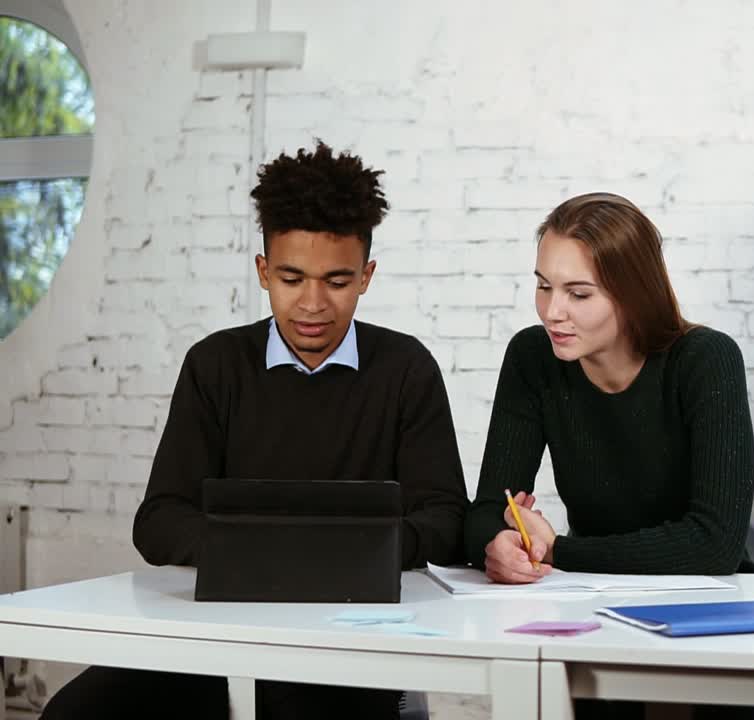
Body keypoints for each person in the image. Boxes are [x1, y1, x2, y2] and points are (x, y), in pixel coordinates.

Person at [41, 141, 468, 720]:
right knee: (74, 714)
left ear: (366, 276)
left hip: (349, 643)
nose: (313, 304)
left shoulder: (405, 369)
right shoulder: (215, 365)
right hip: (212, 636)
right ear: (264, 271)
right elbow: (160, 520)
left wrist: (332, 557)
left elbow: (445, 521)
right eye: (292, 278)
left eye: (337, 281)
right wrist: (275, 554)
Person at [463, 192, 754, 720]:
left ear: (633, 294)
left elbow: (714, 546)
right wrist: (497, 543)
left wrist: (558, 551)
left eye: (578, 293)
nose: (552, 311)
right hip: (595, 614)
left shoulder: (705, 360)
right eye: (543, 286)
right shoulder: (532, 358)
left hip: (712, 612)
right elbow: (481, 511)